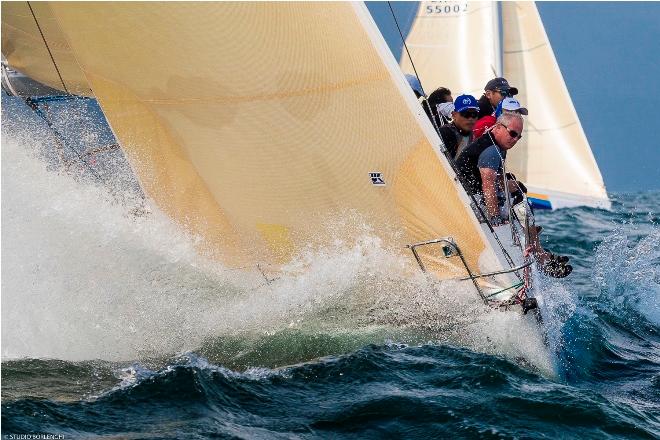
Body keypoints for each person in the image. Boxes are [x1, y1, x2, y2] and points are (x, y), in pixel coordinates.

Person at [455, 112, 571, 277]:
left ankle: (537, 248)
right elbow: (488, 185)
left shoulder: (498, 146)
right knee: (519, 201)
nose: (515, 139)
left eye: (519, 136)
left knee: (517, 189)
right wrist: (494, 220)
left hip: (474, 197)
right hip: (469, 202)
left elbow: (496, 180)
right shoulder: (491, 150)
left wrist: (508, 185)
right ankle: (540, 255)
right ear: (499, 128)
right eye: (513, 134)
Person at [438, 94, 479, 159]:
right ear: (454, 115)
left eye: (474, 114)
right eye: (466, 114)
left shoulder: (473, 134)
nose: (470, 118)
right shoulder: (444, 133)